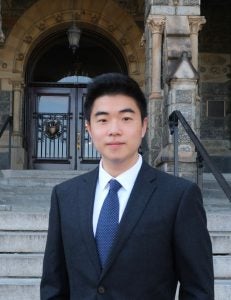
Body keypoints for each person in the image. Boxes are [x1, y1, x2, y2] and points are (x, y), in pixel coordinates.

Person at [40, 73, 214, 299]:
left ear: (143, 126)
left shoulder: (179, 197)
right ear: (89, 129)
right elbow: (54, 286)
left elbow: (198, 290)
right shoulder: (65, 196)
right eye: (103, 120)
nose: (114, 130)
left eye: (126, 118)